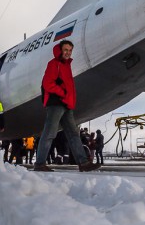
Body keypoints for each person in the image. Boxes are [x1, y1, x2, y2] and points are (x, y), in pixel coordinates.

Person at [33, 40, 100, 172]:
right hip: (56, 103)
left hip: (66, 104)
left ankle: (83, 163)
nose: (68, 52)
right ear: (60, 50)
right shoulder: (54, 64)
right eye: (65, 50)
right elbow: (48, 84)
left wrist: (70, 100)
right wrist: (62, 92)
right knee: (49, 133)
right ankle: (40, 163)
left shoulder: (67, 65)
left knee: (74, 135)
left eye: (70, 50)